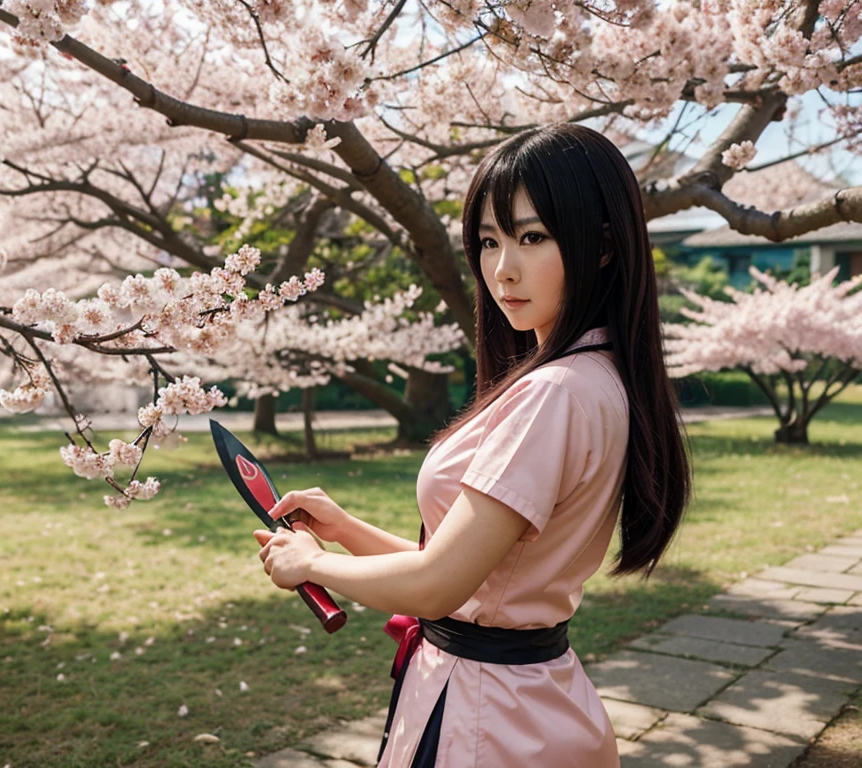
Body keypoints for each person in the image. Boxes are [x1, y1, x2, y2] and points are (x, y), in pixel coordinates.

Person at [252, 123, 691, 767]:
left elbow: (436, 587)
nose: (502, 269)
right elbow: (477, 578)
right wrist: (345, 530)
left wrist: (310, 565)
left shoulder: (556, 393)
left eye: (532, 237)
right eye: (488, 241)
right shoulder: (595, 376)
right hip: (527, 704)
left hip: (487, 724)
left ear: (601, 247)